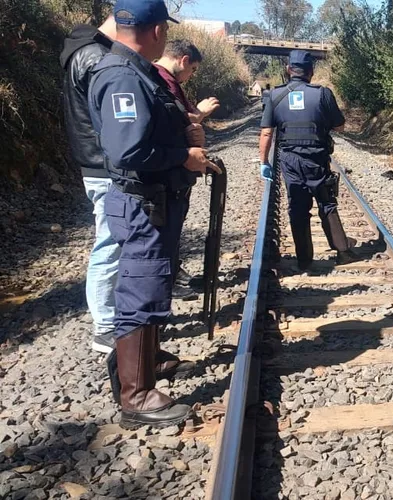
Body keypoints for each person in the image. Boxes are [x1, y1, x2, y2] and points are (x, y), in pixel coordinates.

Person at [88, 0, 219, 428]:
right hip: (143, 202)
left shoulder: (139, 73)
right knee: (140, 293)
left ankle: (142, 370)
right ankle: (136, 396)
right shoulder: (123, 75)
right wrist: (185, 155)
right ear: (158, 29)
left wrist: (184, 132)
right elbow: (128, 150)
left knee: (151, 284)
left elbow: (145, 133)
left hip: (154, 202)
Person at [258, 50, 358, 270]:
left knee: (297, 207)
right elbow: (340, 126)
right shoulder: (322, 94)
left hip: (290, 161)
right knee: (327, 203)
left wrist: (264, 162)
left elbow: (266, 133)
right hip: (317, 159)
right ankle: (343, 252)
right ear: (311, 72)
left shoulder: (275, 96)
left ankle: (304, 260)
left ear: (288, 70)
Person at [61, 16, 118, 353]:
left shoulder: (83, 51)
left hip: (95, 161)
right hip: (103, 164)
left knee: (111, 241)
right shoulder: (95, 56)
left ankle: (111, 320)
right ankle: (105, 327)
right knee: (109, 244)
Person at [153, 39, 220, 300]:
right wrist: (200, 114)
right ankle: (165, 284)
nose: (191, 76)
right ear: (183, 60)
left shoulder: (169, 82)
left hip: (177, 171)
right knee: (165, 230)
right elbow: (177, 119)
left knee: (173, 226)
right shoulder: (160, 81)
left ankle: (173, 272)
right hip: (168, 170)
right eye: (193, 69)